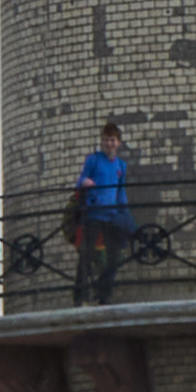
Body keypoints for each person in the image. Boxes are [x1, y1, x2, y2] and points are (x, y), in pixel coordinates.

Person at [70, 118, 132, 306]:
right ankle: (80, 294)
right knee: (86, 255)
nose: (109, 144)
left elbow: (121, 191)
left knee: (115, 257)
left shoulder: (121, 166)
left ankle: (103, 292)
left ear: (118, 143)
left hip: (112, 215)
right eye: (106, 140)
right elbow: (81, 179)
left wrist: (125, 213)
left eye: (112, 140)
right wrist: (85, 183)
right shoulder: (93, 160)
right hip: (93, 214)